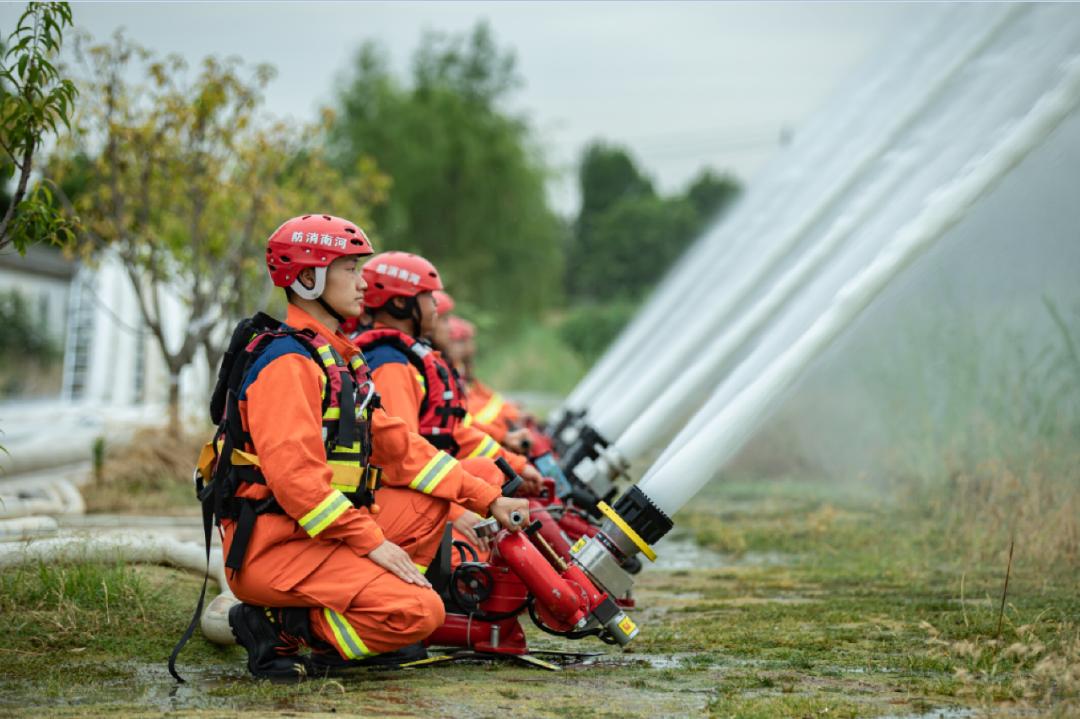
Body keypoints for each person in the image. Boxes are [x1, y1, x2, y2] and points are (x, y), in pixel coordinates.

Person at [216, 215, 528, 680]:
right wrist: (374, 544)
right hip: (274, 548)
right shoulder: (288, 364)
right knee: (421, 613)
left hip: (308, 533)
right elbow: (298, 484)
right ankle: (281, 627)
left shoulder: (332, 359)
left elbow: (401, 448)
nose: (364, 283)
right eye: (350, 270)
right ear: (308, 279)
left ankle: (367, 606)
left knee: (431, 502)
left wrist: (489, 499)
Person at [351, 251, 544, 551]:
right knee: (467, 552)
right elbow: (403, 456)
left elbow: (452, 433)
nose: (436, 308)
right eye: (429, 297)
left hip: (413, 489)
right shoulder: (390, 365)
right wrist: (456, 512)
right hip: (388, 501)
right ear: (400, 303)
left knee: (489, 471)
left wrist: (516, 464)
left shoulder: (406, 358)